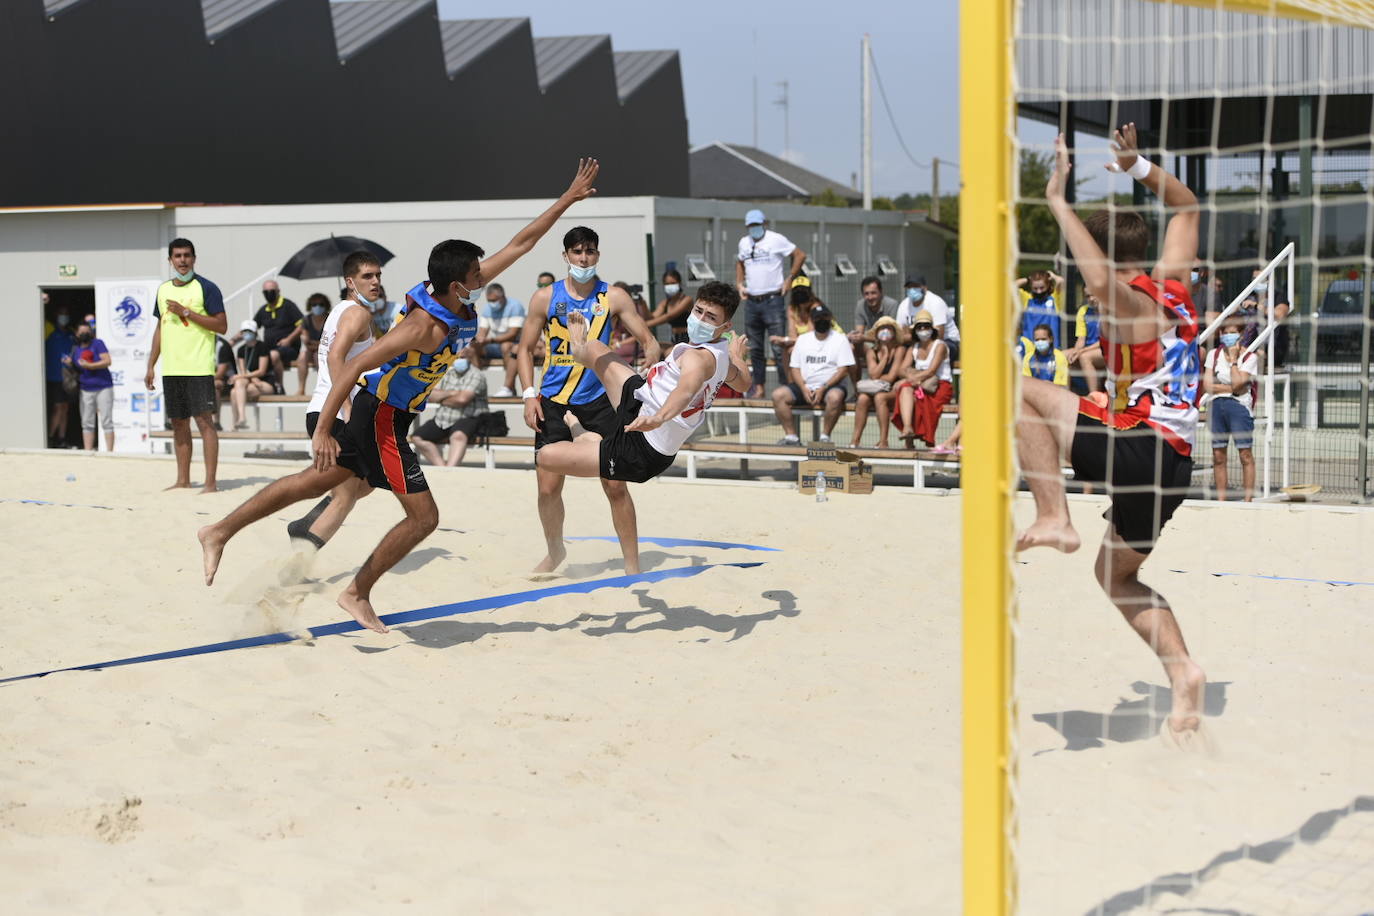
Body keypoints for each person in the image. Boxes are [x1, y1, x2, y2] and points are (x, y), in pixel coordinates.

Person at [198, 158, 602, 634]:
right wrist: (325, 428)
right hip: (382, 417)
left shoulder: (456, 294)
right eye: (477, 274)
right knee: (424, 517)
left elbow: (522, 242)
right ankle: (355, 593)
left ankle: (218, 531)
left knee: (312, 483)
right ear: (458, 284)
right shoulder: (421, 325)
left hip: (389, 413)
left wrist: (568, 197)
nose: (484, 277)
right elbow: (352, 367)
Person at [1020, 126, 1206, 747]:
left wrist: (1057, 202)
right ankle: (1184, 674)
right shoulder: (1172, 286)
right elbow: (1187, 207)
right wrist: (1139, 167)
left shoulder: (1127, 302)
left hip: (1142, 446)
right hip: (1172, 465)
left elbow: (1100, 284)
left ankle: (1055, 516)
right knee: (1115, 577)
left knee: (1016, 390)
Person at [515, 225, 662, 576]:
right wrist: (528, 395)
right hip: (553, 400)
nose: (584, 258)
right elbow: (523, 349)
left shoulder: (613, 296)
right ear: (565, 256)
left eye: (590, 251)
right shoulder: (545, 297)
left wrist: (647, 366)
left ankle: (632, 565)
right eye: (577, 252)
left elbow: (649, 341)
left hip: (600, 401)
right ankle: (555, 552)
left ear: (597, 255)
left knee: (615, 485)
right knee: (548, 488)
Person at [535, 281, 750, 484]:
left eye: (710, 317)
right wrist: (737, 356)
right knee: (594, 348)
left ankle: (586, 438)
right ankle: (580, 352)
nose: (700, 319)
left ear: (725, 325)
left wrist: (659, 417)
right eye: (698, 311)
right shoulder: (721, 355)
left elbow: (685, 391)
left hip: (641, 449)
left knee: (545, 457)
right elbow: (743, 384)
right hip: (640, 402)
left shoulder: (699, 359)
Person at [285, 251, 387, 550]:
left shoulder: (344, 310)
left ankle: (304, 525)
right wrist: (346, 409)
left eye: (378, 275)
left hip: (329, 413)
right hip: (336, 415)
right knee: (345, 497)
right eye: (368, 276)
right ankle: (298, 561)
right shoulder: (356, 313)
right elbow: (334, 358)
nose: (376, 281)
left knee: (368, 482)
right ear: (350, 281)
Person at [145, 238, 227, 492]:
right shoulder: (163, 290)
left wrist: (188, 312)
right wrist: (151, 365)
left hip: (199, 367)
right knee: (179, 424)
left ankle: (211, 483)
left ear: (194, 258)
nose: (182, 260)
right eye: (177, 256)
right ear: (170, 260)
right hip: (172, 369)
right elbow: (161, 328)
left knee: (204, 423)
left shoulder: (207, 287)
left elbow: (222, 326)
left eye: (187, 255)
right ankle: (183, 480)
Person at [735, 208, 806, 398]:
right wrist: (739, 284)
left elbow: (799, 254)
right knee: (755, 348)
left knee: (777, 345)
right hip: (752, 300)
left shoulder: (776, 239)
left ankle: (786, 385)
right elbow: (740, 262)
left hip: (773, 299)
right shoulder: (744, 242)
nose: (753, 229)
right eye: (750, 225)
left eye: (757, 225)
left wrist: (790, 278)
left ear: (764, 224)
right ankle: (759, 386)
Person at [771, 303, 854, 446]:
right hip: (805, 386)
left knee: (835, 398)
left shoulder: (840, 339)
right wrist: (803, 388)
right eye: (818, 318)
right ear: (812, 320)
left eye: (824, 317)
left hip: (830, 386)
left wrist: (823, 387)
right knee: (778, 395)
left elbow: (843, 369)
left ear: (830, 318)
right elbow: (795, 368)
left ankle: (825, 437)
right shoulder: (803, 340)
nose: (821, 320)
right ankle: (792, 437)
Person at [1204, 316, 1258, 502]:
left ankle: (1248, 499)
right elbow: (1207, 385)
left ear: (1241, 334)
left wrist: (1234, 361)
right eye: (1225, 333)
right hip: (1217, 405)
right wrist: (1232, 388)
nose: (1228, 337)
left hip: (1239, 407)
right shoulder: (1214, 354)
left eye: (1233, 333)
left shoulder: (1250, 357)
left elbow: (1238, 384)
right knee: (1218, 455)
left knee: (1245, 454)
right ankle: (1221, 499)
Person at [410, 349, 489, 467]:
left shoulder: (476, 374)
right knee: (417, 437)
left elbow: (462, 400)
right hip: (443, 417)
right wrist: (453, 393)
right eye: (457, 358)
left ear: (469, 358)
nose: (459, 361)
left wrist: (442, 397)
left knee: (458, 435)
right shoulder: (446, 373)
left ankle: (451, 468)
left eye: (462, 358)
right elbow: (430, 396)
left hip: (469, 417)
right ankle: (443, 468)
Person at [892, 309, 954, 448]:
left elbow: (932, 371)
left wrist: (910, 377)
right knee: (904, 389)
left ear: (932, 329)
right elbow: (901, 369)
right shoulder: (913, 348)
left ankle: (913, 440)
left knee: (908, 391)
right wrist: (911, 378)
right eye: (920, 327)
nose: (923, 329)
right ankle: (907, 429)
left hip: (939, 386)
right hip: (921, 384)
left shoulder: (940, 346)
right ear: (915, 331)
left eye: (926, 326)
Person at [848, 316, 907, 449]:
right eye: (882, 328)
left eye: (888, 328)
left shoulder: (900, 350)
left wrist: (879, 374)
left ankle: (883, 441)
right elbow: (873, 374)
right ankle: (855, 440)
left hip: (894, 391)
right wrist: (885, 357)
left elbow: (892, 377)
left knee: (880, 397)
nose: (885, 331)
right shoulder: (871, 351)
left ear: (894, 332)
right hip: (877, 390)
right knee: (862, 398)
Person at [769, 279, 843, 380]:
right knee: (787, 350)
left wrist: (784, 340)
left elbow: (811, 337)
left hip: (827, 341)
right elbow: (793, 335)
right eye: (797, 291)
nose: (800, 294)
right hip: (807, 343)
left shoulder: (815, 307)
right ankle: (791, 384)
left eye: (803, 290)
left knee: (793, 350)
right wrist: (786, 341)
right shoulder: (792, 309)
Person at [63, 321, 114, 451]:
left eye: (87, 331)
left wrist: (90, 366)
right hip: (86, 389)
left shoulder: (98, 343)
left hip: (103, 387)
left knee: (106, 421)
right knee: (87, 423)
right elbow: (78, 368)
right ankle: (88, 451)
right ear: (76, 333)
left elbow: (107, 361)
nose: (84, 334)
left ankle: (110, 452)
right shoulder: (76, 349)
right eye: (81, 332)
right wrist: (70, 363)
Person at [474, 283, 526, 396]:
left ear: (502, 297)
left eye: (494, 300)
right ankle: (475, 387)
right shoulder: (487, 308)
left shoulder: (515, 306)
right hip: (494, 344)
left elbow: (512, 334)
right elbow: (483, 331)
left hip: (513, 344)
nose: (492, 304)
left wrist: (490, 340)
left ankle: (509, 387)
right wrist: (479, 339)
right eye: (489, 300)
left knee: (506, 345)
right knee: (472, 348)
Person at [896, 275, 960, 365]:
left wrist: (911, 335)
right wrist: (919, 336)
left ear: (925, 288)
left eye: (916, 286)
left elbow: (939, 334)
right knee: (899, 350)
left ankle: (929, 375)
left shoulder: (935, 302)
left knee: (935, 348)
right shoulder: (904, 305)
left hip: (947, 341)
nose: (912, 290)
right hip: (918, 342)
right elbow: (900, 336)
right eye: (909, 287)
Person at [253, 280, 304, 390]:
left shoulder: (288, 305)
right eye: (266, 292)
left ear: (278, 291)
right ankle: (260, 384)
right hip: (270, 350)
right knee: (256, 354)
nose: (269, 294)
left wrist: (289, 339)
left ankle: (279, 386)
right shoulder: (263, 310)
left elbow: (302, 324)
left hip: (289, 349)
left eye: (271, 291)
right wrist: (234, 340)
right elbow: (252, 327)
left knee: (273, 355)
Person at [848, 276, 899, 380]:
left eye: (873, 293)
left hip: (889, 341)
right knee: (851, 348)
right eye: (866, 294)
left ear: (881, 292)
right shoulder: (860, 305)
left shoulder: (892, 305)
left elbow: (891, 336)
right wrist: (854, 337)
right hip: (872, 342)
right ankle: (857, 388)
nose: (870, 297)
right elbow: (859, 332)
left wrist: (864, 338)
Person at [229, 320, 275, 429]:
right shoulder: (241, 350)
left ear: (255, 332)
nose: (246, 334)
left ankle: (236, 423)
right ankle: (241, 419)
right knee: (235, 389)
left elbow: (262, 371)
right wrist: (251, 378)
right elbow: (244, 371)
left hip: (265, 382)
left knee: (235, 389)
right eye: (244, 331)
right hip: (251, 382)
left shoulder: (262, 346)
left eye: (249, 331)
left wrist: (246, 377)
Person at [45, 305, 76, 448]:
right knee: (57, 408)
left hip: (68, 377)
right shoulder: (49, 330)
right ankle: (50, 438)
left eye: (66, 314)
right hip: (54, 376)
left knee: (65, 408)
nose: (64, 317)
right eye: (61, 314)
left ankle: (61, 439)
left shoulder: (71, 334)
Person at [1065, 290, 1105, 392]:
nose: (1091, 299)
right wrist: (1076, 350)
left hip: (1105, 348)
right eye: (1088, 296)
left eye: (1093, 295)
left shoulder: (1108, 311)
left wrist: (1082, 351)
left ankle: (1095, 396)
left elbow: (1104, 340)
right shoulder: (1083, 311)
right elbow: (1081, 339)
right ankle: (1066, 393)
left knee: (1085, 357)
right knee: (1063, 355)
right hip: (1087, 348)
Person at [293, 293, 331, 396]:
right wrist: (317, 344)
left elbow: (329, 341)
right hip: (312, 350)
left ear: (325, 305)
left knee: (318, 356)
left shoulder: (330, 319)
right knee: (302, 357)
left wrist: (316, 344)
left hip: (325, 351)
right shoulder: (307, 319)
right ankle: (301, 389)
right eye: (314, 304)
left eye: (321, 304)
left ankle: (323, 387)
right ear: (310, 305)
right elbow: (306, 341)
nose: (317, 307)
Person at [1016, 269, 1064, 351]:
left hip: (1050, 347)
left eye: (1042, 288)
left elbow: (1061, 281)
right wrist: (1028, 279)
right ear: (1031, 287)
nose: (1039, 291)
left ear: (1048, 285)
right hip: (1029, 348)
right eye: (1035, 288)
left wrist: (1053, 277)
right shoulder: (1027, 299)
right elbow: (1011, 285)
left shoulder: (1054, 299)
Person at [611, 281, 653, 365]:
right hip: (621, 342)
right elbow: (615, 331)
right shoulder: (615, 310)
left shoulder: (634, 309)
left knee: (617, 352)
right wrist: (615, 340)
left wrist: (620, 343)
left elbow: (639, 333)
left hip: (635, 342)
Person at [646, 269, 692, 345]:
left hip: (687, 337)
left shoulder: (687, 300)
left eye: (673, 283)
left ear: (679, 283)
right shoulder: (665, 303)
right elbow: (652, 317)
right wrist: (642, 303)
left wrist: (645, 325)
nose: (670, 286)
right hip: (674, 337)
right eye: (667, 284)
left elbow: (669, 316)